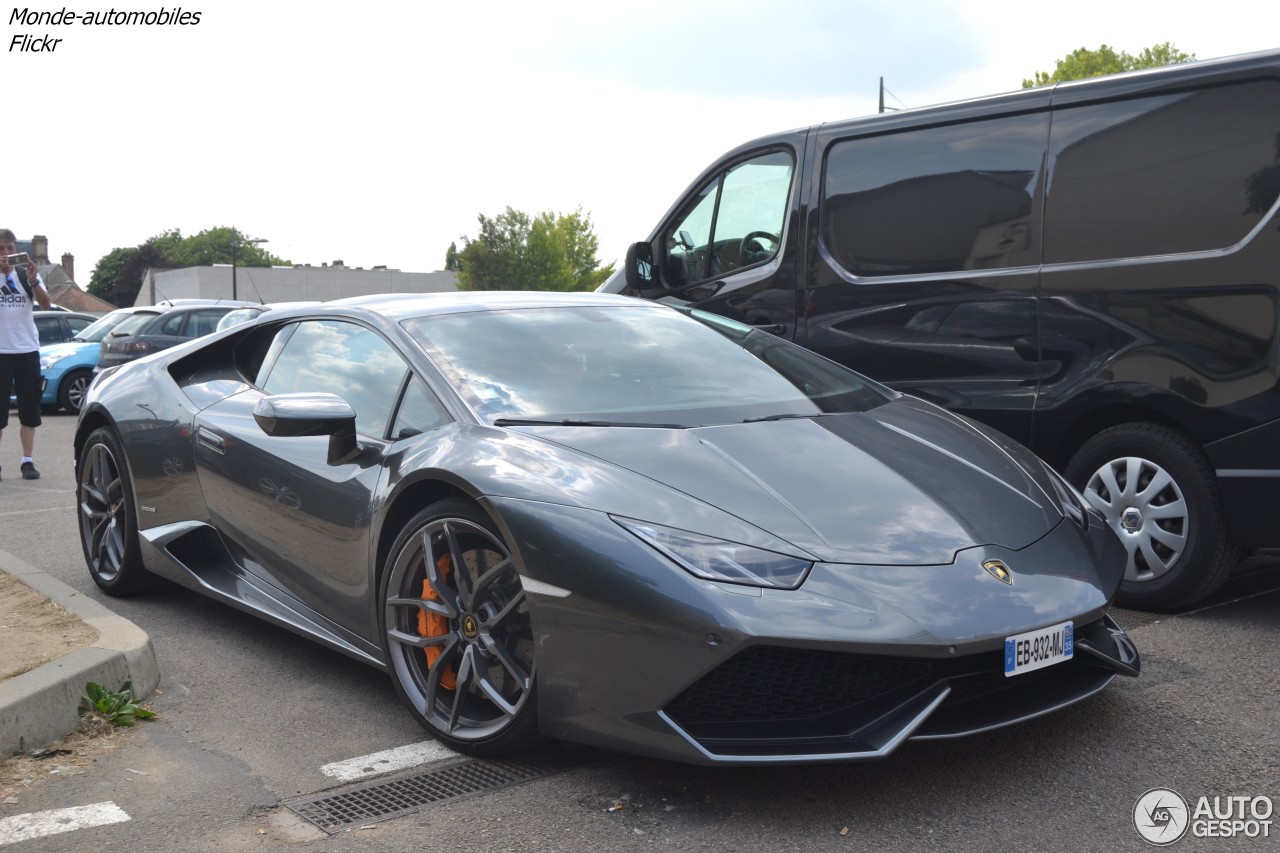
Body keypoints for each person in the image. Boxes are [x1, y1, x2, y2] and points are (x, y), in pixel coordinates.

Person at [0, 228, 52, 480]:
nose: (6, 254)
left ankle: (27, 461)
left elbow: (45, 304)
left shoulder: (26, 274)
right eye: (1, 249)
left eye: (10, 249)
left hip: (26, 350)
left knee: (29, 409)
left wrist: (33, 279)